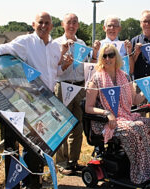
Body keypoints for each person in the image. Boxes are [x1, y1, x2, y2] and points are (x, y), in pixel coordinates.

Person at [0, 12, 69, 188]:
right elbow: (9, 47)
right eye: (40, 22)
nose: (44, 26)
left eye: (47, 23)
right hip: (32, 99)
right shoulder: (27, 42)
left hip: (49, 99)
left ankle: (35, 176)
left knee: (42, 142)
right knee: (31, 142)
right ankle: (28, 181)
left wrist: (63, 66)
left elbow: (55, 72)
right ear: (33, 24)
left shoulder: (54, 47)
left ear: (52, 26)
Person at [85, 44, 150, 184]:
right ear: (101, 58)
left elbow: (135, 100)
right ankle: (138, 172)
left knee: (149, 123)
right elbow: (88, 108)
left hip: (124, 116)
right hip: (104, 122)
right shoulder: (96, 79)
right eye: (104, 56)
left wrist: (149, 88)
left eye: (111, 55)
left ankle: (149, 167)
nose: (107, 58)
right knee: (134, 129)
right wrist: (107, 114)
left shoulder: (124, 76)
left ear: (116, 57)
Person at [54, 13, 86, 175]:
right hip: (63, 86)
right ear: (62, 24)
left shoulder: (82, 44)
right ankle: (61, 162)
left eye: (75, 22)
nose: (72, 25)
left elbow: (86, 66)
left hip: (80, 87)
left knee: (77, 126)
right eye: (69, 22)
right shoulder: (55, 44)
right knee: (61, 125)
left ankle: (73, 161)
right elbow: (52, 67)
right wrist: (62, 52)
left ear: (78, 25)